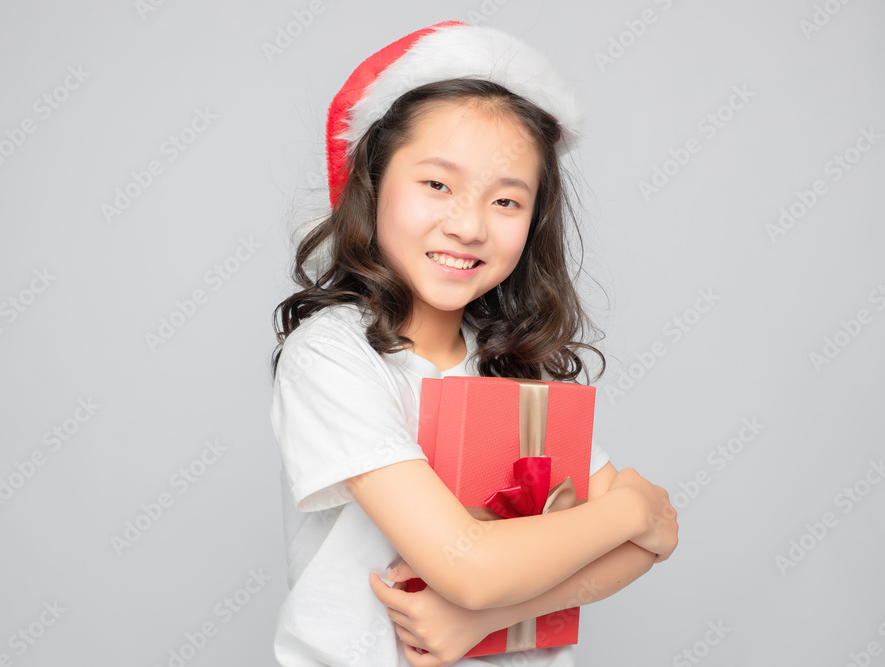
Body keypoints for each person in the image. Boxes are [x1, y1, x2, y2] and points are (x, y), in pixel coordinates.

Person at [269, 20, 679, 666]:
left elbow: (657, 538)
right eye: (437, 184)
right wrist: (630, 511)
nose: (467, 225)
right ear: (373, 181)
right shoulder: (331, 356)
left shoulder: (511, 367)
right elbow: (468, 563)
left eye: (507, 201)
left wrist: (481, 619)